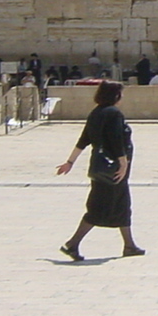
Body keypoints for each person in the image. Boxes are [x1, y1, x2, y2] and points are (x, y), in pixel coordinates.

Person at [55, 81, 145, 260]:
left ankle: (129, 245)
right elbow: (116, 139)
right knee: (100, 207)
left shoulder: (96, 113)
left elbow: (83, 140)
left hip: (100, 167)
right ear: (116, 95)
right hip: (113, 169)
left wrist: (70, 161)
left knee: (121, 205)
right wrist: (123, 163)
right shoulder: (113, 113)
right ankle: (73, 243)